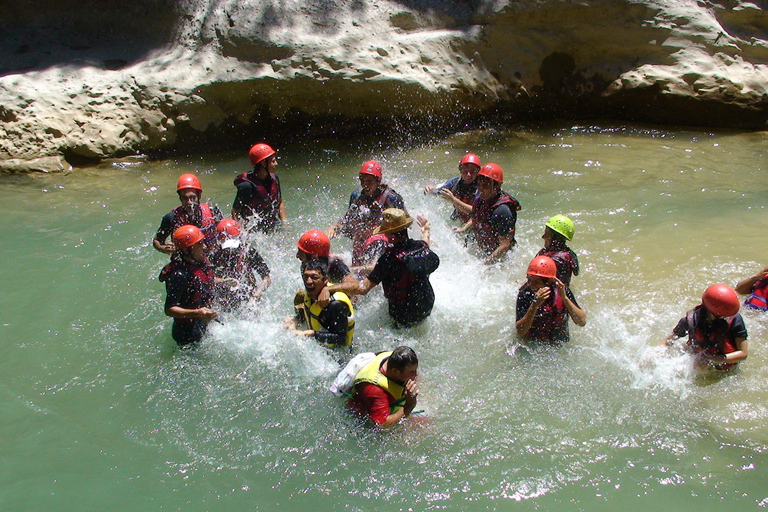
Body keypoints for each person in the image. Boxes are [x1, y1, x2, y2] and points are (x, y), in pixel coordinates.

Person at [357, 209, 440, 326]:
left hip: (402, 315)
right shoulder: (420, 247)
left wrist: (333, 286)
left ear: (391, 236)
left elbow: (363, 289)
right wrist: (426, 229)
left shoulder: (388, 259)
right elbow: (426, 240)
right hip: (425, 306)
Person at [328, 160, 407, 266]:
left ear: (378, 181)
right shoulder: (357, 196)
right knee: (358, 238)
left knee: (377, 244)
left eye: (369, 181)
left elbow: (404, 223)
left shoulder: (391, 198)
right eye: (362, 181)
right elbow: (347, 219)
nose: (365, 185)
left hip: (383, 239)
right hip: (363, 237)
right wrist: (334, 227)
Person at [662, 284, 748, 371]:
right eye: (724, 315)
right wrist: (659, 354)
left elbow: (743, 353)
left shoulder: (735, 320)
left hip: (723, 369)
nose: (726, 317)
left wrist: (713, 360)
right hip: (698, 363)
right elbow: (668, 341)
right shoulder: (690, 320)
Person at [158, 225, 218, 346]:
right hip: (187, 333)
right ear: (186, 250)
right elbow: (169, 309)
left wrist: (223, 281)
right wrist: (198, 313)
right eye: (199, 243)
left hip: (202, 321)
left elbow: (202, 280)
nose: (204, 246)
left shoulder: (199, 261)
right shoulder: (179, 275)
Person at [455, 163, 520, 264]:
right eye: (479, 184)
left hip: (500, 259)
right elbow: (477, 216)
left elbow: (505, 245)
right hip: (483, 249)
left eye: (485, 185)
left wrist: (485, 264)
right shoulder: (481, 198)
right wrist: (464, 228)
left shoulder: (503, 210)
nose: (480, 188)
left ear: (497, 186)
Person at [516, 255, 586, 345]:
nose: (531, 285)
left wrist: (565, 298)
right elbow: (520, 331)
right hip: (532, 346)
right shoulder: (525, 294)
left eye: (536, 282)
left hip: (559, 345)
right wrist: (534, 305)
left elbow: (582, 322)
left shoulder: (562, 291)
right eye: (529, 280)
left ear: (549, 281)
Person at [284, 259, 355, 348]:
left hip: (339, 356)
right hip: (318, 348)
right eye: (306, 277)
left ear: (325, 280)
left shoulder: (336, 305)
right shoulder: (310, 295)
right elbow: (311, 314)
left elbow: (341, 339)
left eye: (314, 277)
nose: (308, 282)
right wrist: (296, 319)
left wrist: (311, 334)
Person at [348, 346, 419, 427]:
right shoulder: (375, 389)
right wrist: (409, 405)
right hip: (363, 417)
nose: (415, 375)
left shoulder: (395, 359)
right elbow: (382, 425)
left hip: (389, 403)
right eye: (412, 372)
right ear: (395, 371)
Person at [153, 173, 223, 255]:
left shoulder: (213, 212)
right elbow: (156, 241)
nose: (189, 202)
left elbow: (223, 232)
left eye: (192, 197)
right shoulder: (172, 218)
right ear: (180, 198)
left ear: (199, 196)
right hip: (185, 260)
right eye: (185, 198)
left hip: (210, 256)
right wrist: (163, 248)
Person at [210, 218, 271, 310]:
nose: (230, 250)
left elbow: (266, 278)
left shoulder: (249, 251)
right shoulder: (215, 255)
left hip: (248, 294)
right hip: (225, 297)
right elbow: (208, 279)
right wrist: (223, 281)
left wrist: (257, 294)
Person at [295, 229, 359, 306]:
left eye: (301, 252)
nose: (297, 256)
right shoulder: (305, 266)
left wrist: (328, 289)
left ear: (314, 256)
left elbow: (354, 285)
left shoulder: (335, 264)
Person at [232, 143, 287, 233]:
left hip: (272, 225)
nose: (276, 164)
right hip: (253, 230)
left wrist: (284, 223)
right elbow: (235, 211)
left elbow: (279, 201)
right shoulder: (247, 186)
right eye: (273, 161)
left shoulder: (274, 179)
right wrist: (242, 233)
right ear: (263, 163)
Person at [424, 152, 480, 222]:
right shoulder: (454, 182)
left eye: (472, 171)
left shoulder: (481, 187)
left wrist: (453, 200)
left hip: (475, 222)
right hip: (457, 217)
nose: (468, 175)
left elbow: (477, 212)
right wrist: (429, 189)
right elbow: (438, 193)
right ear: (460, 170)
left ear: (478, 172)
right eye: (465, 171)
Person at [537, 215, 579, 285]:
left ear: (555, 238)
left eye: (546, 234)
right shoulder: (571, 255)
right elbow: (576, 272)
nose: (543, 237)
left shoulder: (551, 259)